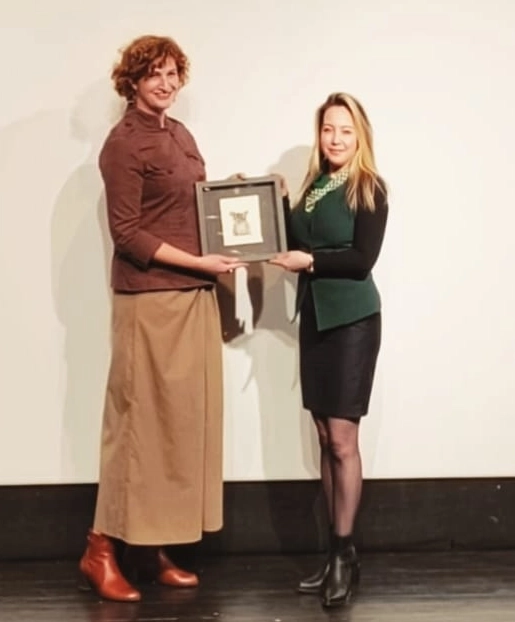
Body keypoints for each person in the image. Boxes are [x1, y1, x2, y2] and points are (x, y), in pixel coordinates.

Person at [77, 35, 245, 603]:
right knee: (137, 427)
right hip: (149, 302)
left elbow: (190, 207)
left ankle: (149, 547)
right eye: (155, 74)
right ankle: (100, 549)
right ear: (132, 82)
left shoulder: (180, 135)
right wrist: (198, 262)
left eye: (173, 74)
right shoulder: (123, 144)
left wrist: (235, 201)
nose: (166, 83)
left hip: (193, 296)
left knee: (177, 429)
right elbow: (127, 235)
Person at [269, 92, 388, 608]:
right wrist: (274, 200)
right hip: (317, 317)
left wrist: (311, 263)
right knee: (323, 436)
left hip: (353, 320)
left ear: (360, 137)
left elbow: (362, 259)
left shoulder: (369, 187)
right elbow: (293, 237)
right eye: (328, 129)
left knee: (343, 440)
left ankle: (344, 554)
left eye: (345, 130)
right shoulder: (315, 187)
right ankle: (335, 554)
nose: (335, 139)